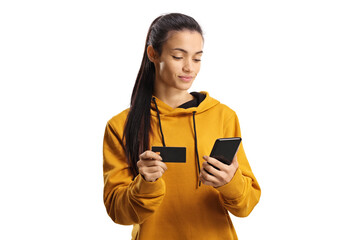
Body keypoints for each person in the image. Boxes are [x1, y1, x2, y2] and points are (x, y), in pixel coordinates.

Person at [103, 13, 261, 240]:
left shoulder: (223, 116)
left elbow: (245, 206)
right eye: (178, 56)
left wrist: (230, 182)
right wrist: (145, 184)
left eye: (197, 59)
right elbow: (118, 213)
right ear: (153, 54)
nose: (189, 68)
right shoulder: (120, 126)